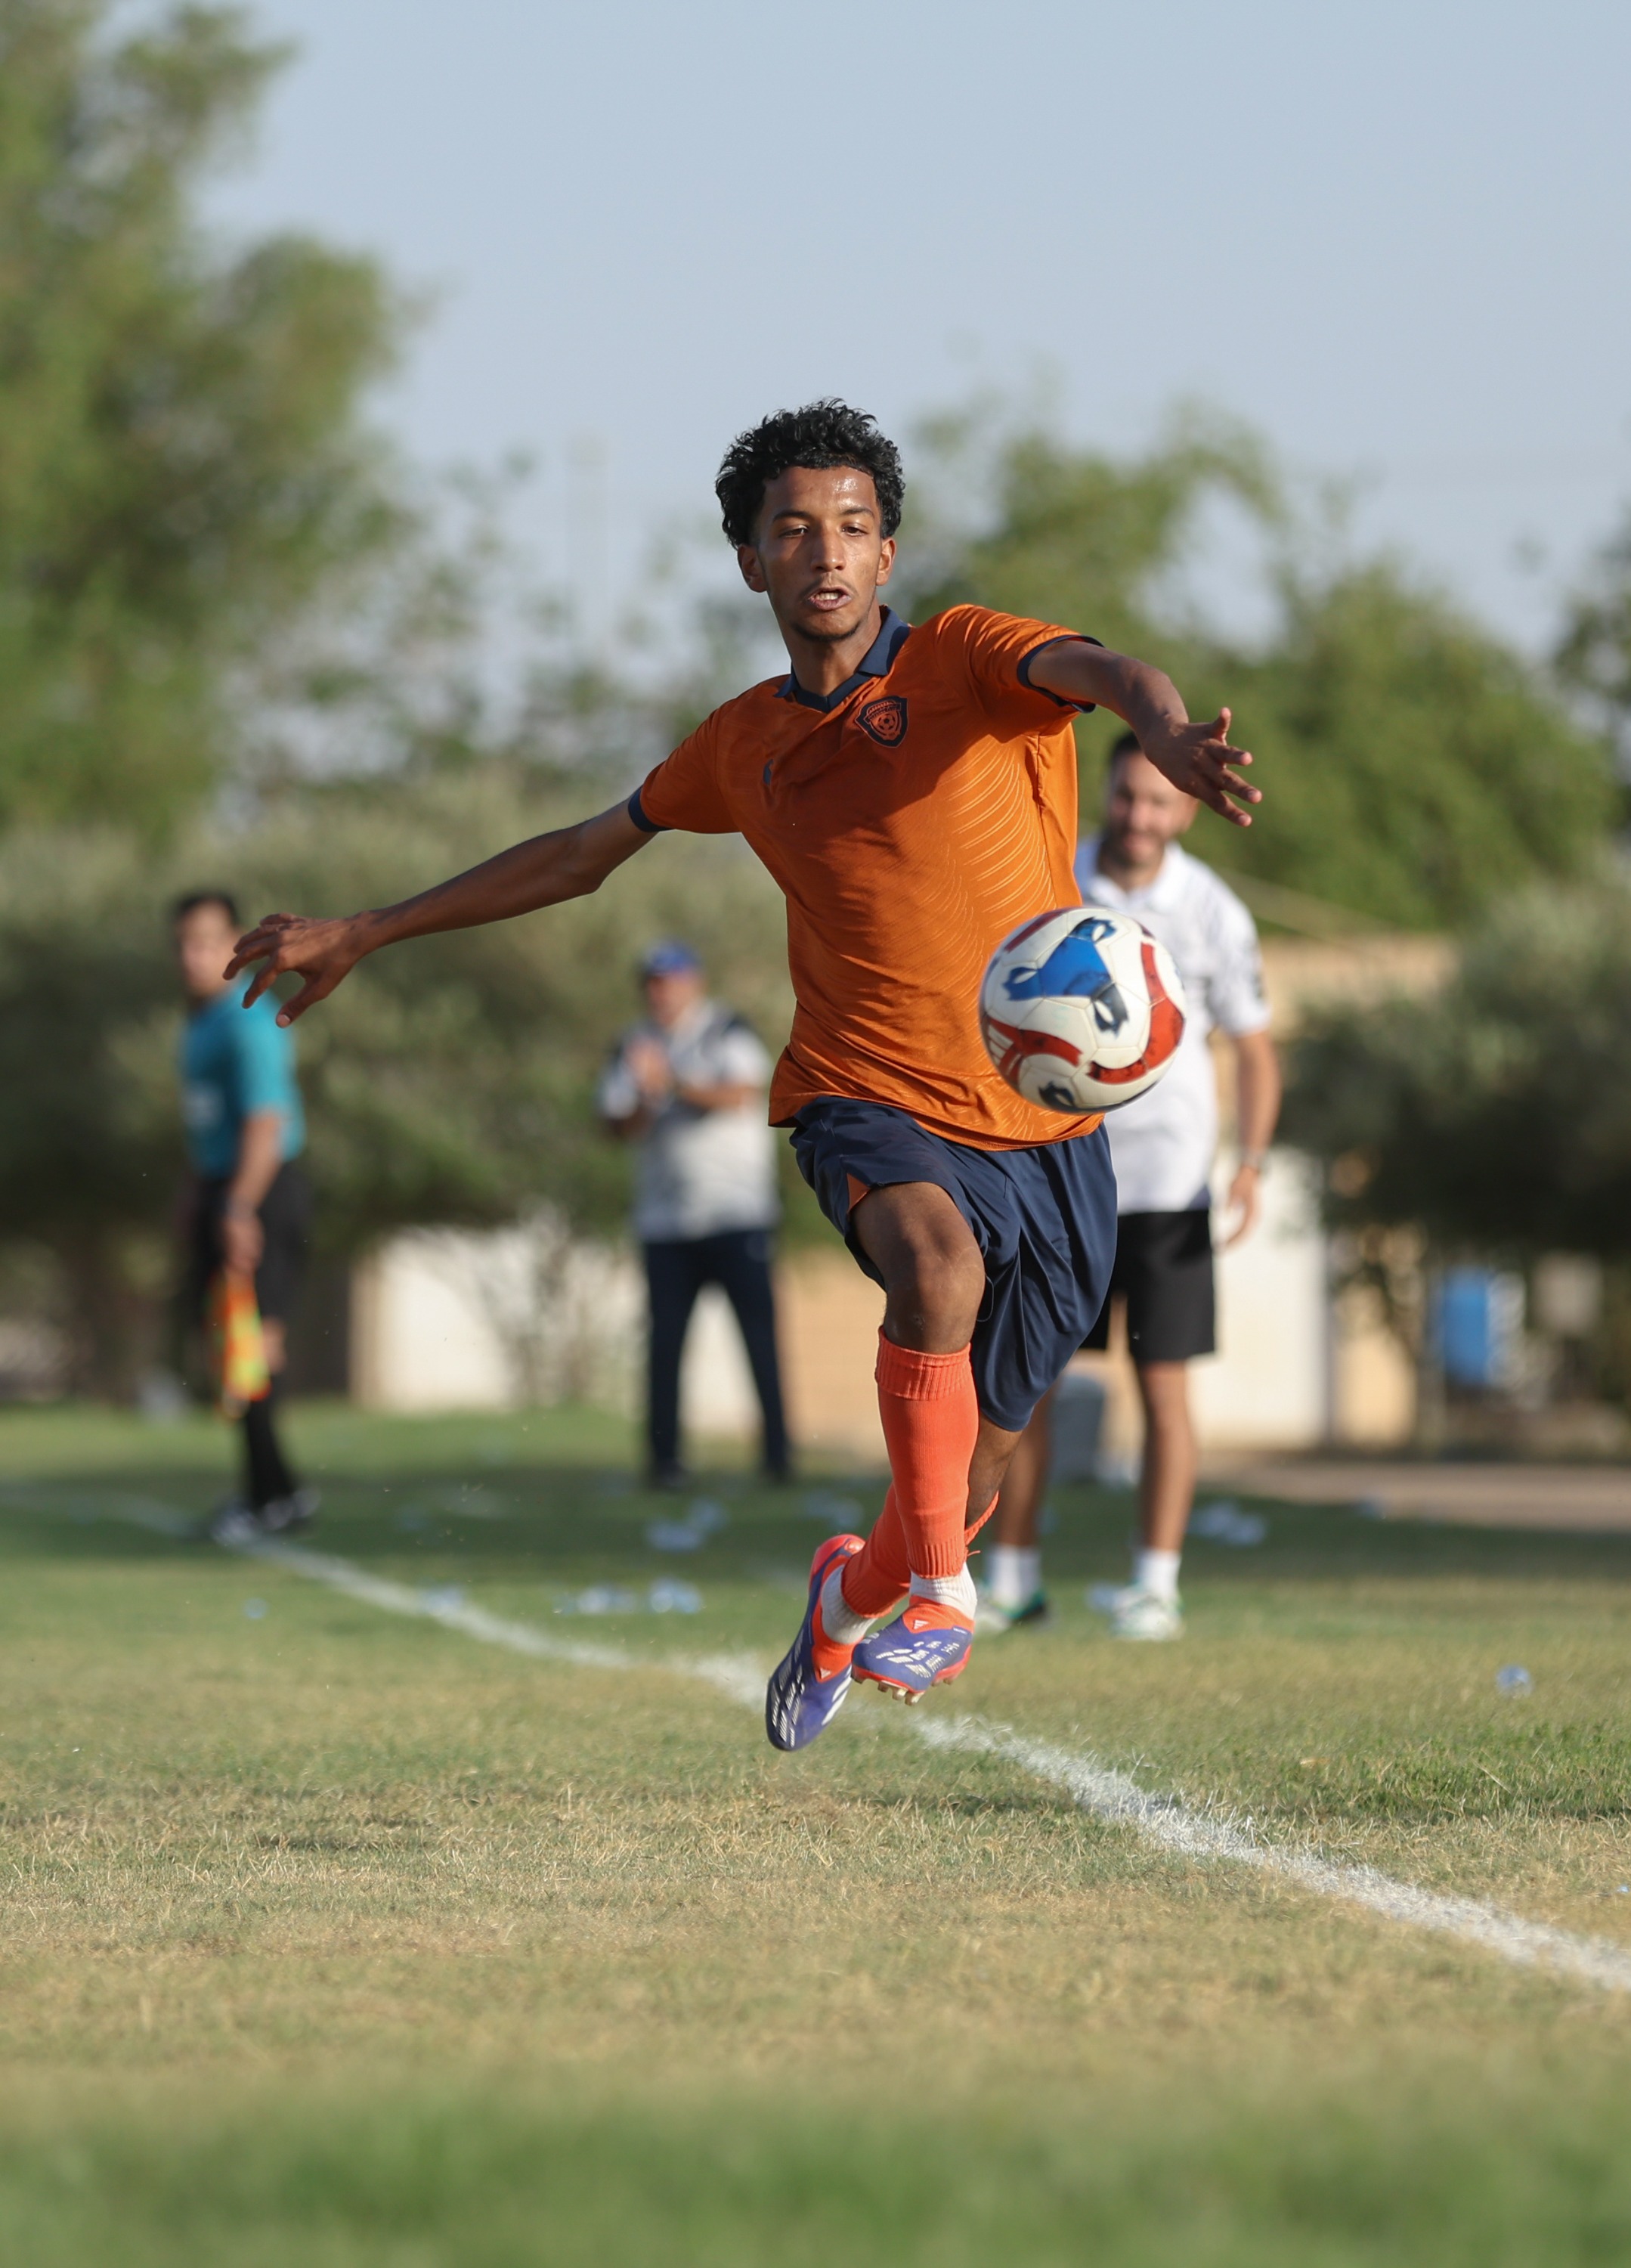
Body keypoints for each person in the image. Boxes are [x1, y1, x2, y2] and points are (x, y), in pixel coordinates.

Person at [224, 399, 1260, 1751]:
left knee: (974, 1469)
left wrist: (1167, 733)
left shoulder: (966, 658)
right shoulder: (741, 745)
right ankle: (943, 1595)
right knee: (937, 1273)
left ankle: (853, 1595)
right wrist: (370, 928)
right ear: (750, 561)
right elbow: (580, 855)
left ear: (888, 553)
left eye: (853, 527)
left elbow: (1113, 673)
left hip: (1049, 1135)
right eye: (794, 530)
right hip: (863, 1092)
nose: (826, 552)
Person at [984, 736, 1282, 1641]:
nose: (1140, 816)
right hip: (1060, 1178)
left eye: (1158, 802)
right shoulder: (1054, 879)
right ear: (1104, 795)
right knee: (1029, 1385)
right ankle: (1013, 1580)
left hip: (1170, 1187)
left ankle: (1156, 1586)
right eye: (1126, 796)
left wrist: (1250, 1162)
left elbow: (1255, 1049)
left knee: (1163, 1392)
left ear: (1186, 809)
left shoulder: (1213, 910)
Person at [599, 938, 791, 1486]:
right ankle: (664, 1462)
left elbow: (742, 1092)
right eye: (653, 983)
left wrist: (673, 1084)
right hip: (666, 1221)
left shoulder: (725, 1030)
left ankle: (777, 1458)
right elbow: (614, 1125)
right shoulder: (632, 1044)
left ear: (694, 983)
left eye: (671, 982)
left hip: (736, 1214)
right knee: (665, 1345)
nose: (661, 993)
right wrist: (644, 1098)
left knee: (758, 1340)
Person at [172, 889, 315, 1538]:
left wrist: (237, 1207)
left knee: (252, 1345)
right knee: (232, 1348)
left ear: (232, 944)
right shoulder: (199, 1022)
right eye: (183, 943)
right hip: (222, 1189)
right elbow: (209, 1125)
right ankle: (271, 1491)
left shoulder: (248, 1018)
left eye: (205, 942)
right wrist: (194, 1193)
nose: (192, 956)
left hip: (260, 1192)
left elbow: (266, 1121)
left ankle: (275, 1498)